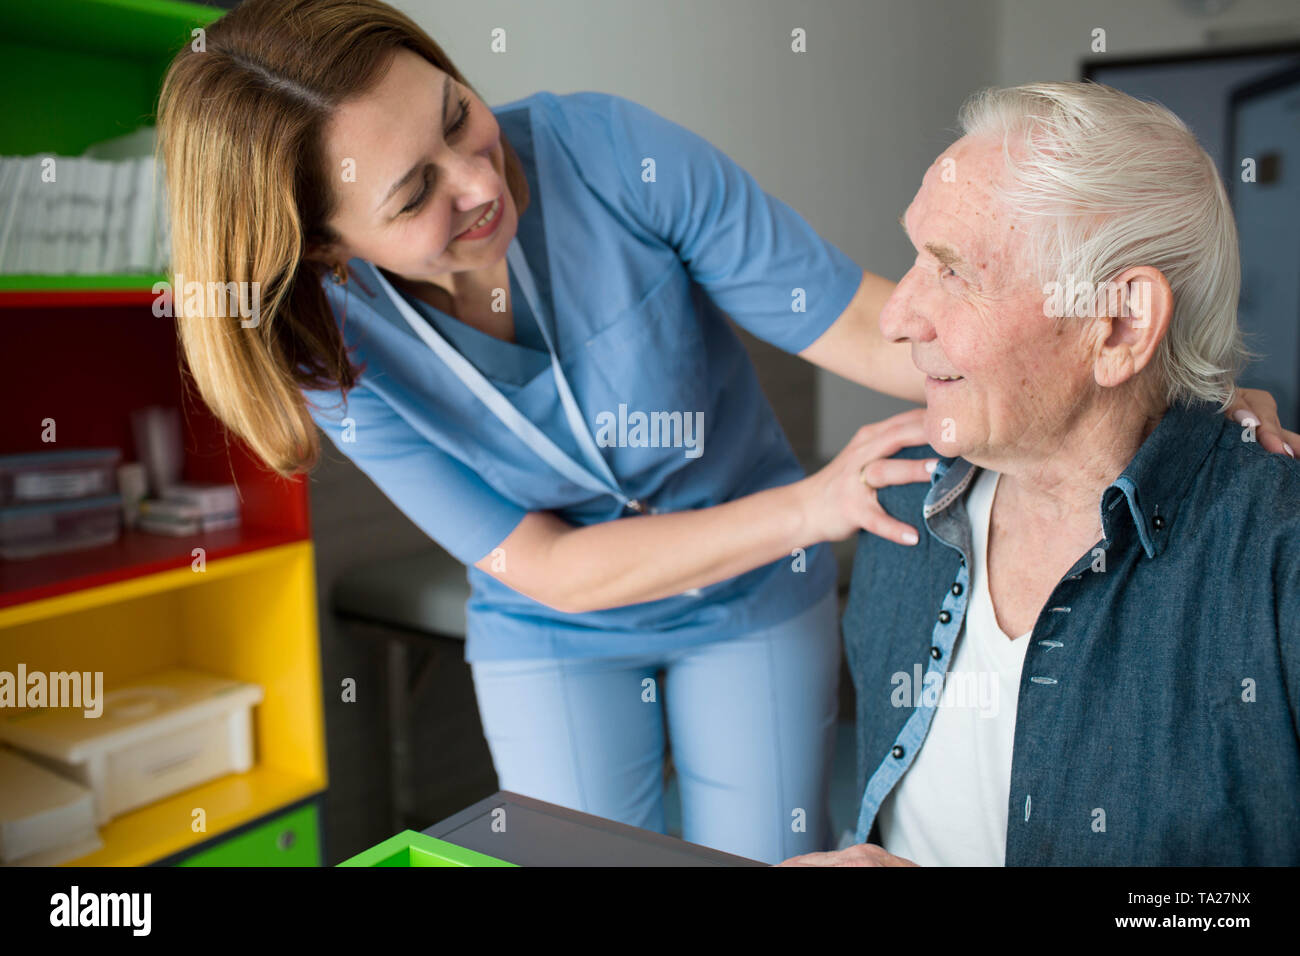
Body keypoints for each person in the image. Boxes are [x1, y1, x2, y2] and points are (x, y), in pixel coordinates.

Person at [156, 0, 1290, 866]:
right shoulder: (329, 347)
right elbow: (544, 561)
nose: (478, 178)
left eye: (460, 114)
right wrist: (814, 501)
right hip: (560, 616)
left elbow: (864, 322)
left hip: (757, 594)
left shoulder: (608, 154)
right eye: (413, 193)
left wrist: (1158, 389)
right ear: (326, 249)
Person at [781, 81, 1300, 867]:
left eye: (955, 273)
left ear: (1121, 325)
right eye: (917, 257)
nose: (895, 319)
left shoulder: (1277, 564)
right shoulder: (899, 508)